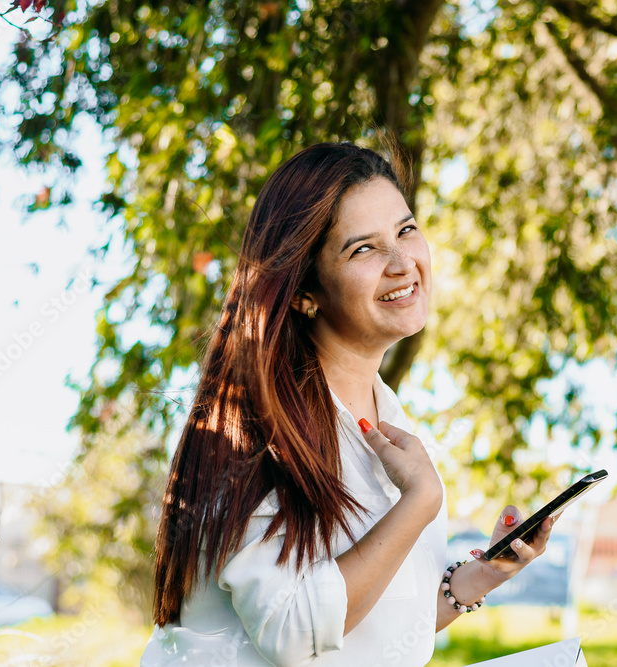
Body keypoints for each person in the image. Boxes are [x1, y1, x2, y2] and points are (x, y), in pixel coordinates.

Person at [140, 141, 560, 666]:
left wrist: (482, 575)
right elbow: (296, 632)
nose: (402, 263)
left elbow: (370, 624)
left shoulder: (390, 419)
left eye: (406, 230)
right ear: (304, 291)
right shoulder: (257, 432)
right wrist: (418, 503)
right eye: (363, 249)